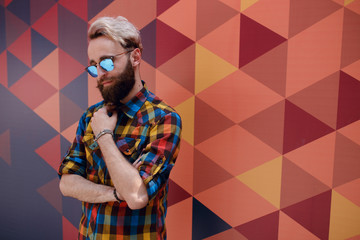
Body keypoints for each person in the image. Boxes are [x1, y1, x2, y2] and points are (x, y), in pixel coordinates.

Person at [58, 16, 182, 240]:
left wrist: (104, 136)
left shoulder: (163, 118)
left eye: (106, 62)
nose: (101, 73)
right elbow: (67, 183)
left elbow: (136, 197)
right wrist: (115, 193)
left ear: (134, 57)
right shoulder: (91, 117)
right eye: (94, 66)